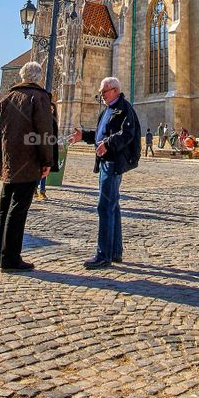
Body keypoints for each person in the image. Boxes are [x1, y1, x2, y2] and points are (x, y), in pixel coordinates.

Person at [70, 77, 141, 270]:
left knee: (105, 207)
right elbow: (100, 134)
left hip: (113, 162)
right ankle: (115, 251)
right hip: (105, 162)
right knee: (113, 207)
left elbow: (128, 134)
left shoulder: (124, 108)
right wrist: (83, 136)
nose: (101, 96)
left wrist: (107, 145)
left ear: (116, 90)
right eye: (101, 93)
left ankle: (103, 254)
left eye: (104, 92)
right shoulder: (108, 110)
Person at [0, 60, 54, 272]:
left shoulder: (7, 99)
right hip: (28, 164)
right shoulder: (39, 98)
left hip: (9, 164)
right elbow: (44, 132)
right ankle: (11, 258)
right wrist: (47, 161)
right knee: (18, 210)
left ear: (22, 76)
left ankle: (2, 255)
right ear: (39, 77)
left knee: (5, 209)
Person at [36, 100, 60, 201]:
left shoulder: (53, 120)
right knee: (41, 170)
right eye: (49, 108)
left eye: (52, 109)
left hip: (50, 147)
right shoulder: (43, 119)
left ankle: (42, 190)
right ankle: (37, 189)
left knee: (45, 170)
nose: (51, 110)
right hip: (42, 147)